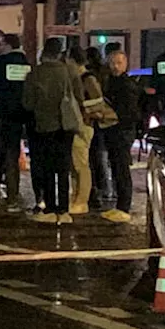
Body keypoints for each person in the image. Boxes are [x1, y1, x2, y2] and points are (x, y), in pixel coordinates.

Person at [22, 38, 81, 225]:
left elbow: (28, 103)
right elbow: (77, 96)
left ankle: (50, 208)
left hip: (45, 125)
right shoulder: (69, 71)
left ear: (43, 53)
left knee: (47, 168)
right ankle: (64, 210)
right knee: (63, 168)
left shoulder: (35, 74)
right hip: (66, 125)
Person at [0, 33, 29, 212]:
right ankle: (13, 198)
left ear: (8, 45)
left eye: (1, 44)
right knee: (11, 158)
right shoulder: (26, 65)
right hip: (16, 118)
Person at [100, 49, 142, 223]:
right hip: (115, 130)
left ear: (125, 63)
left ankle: (124, 206)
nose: (115, 66)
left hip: (121, 131)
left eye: (119, 63)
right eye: (112, 63)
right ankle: (120, 205)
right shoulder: (113, 82)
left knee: (122, 168)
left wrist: (112, 116)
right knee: (117, 168)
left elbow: (130, 112)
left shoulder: (126, 85)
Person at [66, 46, 106, 215]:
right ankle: (76, 197)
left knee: (81, 164)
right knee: (75, 164)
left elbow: (98, 102)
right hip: (78, 123)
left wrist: (83, 110)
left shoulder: (87, 78)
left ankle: (82, 200)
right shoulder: (78, 77)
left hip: (84, 124)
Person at [84, 46, 111, 211]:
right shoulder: (105, 74)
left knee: (93, 156)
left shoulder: (89, 77)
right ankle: (104, 189)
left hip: (92, 119)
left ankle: (96, 190)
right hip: (103, 120)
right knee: (100, 155)